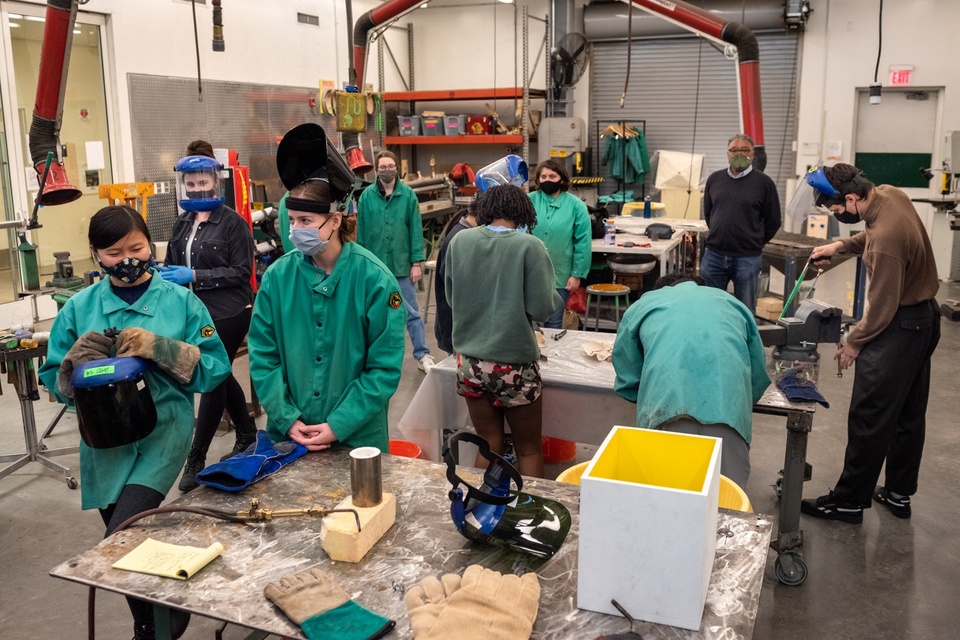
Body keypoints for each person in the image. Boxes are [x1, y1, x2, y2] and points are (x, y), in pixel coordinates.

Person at [38, 205, 231, 640]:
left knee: (123, 530)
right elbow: (53, 379)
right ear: (96, 255)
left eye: (136, 247)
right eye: (112, 252)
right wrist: (74, 369)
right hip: (103, 439)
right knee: (126, 538)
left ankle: (161, 627)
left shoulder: (181, 302)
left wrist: (161, 347)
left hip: (163, 428)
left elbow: (216, 367)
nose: (127, 258)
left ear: (152, 246)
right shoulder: (79, 309)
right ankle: (151, 619)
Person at [249, 123, 405, 453]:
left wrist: (338, 425)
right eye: (291, 221)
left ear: (335, 221)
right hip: (289, 438)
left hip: (357, 440)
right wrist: (287, 418)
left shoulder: (374, 281)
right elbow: (264, 358)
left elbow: (383, 368)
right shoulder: (277, 280)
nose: (295, 231)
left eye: (305, 222)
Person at [798, 163, 940, 523]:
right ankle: (897, 493)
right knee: (908, 411)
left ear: (850, 197)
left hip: (899, 325)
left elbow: (881, 308)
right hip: (924, 320)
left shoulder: (887, 241)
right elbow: (870, 235)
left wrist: (853, 342)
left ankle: (848, 501)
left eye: (837, 210)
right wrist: (841, 244)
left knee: (870, 414)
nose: (837, 215)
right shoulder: (890, 194)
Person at [444, 184, 562, 478]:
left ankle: (478, 510)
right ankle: (530, 516)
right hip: (514, 366)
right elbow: (542, 309)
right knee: (528, 448)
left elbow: (451, 298)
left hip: (470, 364)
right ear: (523, 212)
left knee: (488, 444)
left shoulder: (460, 242)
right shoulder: (528, 246)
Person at [611, 274, 770, 488]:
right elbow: (757, 373)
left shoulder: (643, 305)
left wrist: (649, 391)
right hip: (728, 415)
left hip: (666, 411)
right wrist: (734, 403)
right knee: (725, 502)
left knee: (666, 499)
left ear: (661, 289)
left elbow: (628, 375)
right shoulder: (732, 303)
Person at [163, 141, 258, 491]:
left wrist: (196, 277)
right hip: (194, 311)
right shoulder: (182, 223)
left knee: (211, 376)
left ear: (215, 182)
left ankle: (197, 456)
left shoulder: (233, 224)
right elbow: (173, 263)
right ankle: (247, 433)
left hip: (230, 310)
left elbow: (240, 272)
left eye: (203, 181)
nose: (197, 187)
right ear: (183, 184)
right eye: (191, 182)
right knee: (220, 372)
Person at [356, 150, 434, 371]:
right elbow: (360, 234)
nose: (387, 169)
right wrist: (361, 264)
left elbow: (416, 230)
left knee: (410, 312)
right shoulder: (366, 197)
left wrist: (416, 262)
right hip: (375, 268)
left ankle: (422, 355)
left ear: (397, 168)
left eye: (391, 166)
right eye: (383, 166)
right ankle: (373, 358)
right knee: (374, 313)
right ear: (377, 169)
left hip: (401, 267)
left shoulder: (408, 195)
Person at [700, 134, 781, 312]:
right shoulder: (715, 179)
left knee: (745, 309)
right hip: (714, 255)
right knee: (709, 306)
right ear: (727, 153)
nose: (739, 154)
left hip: (747, 257)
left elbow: (774, 220)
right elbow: (708, 213)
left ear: (753, 154)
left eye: (744, 150)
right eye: (734, 150)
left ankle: (744, 340)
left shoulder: (764, 183)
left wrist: (755, 241)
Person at [528, 158, 593, 328]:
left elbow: (583, 242)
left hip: (561, 275)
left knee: (554, 321)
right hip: (529, 274)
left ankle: (551, 356)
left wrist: (577, 274)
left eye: (552, 176)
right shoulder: (528, 201)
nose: (547, 180)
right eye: (543, 176)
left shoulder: (576, 206)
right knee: (527, 323)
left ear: (562, 179)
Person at [433, 204, 477, 356]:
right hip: (455, 327)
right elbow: (456, 287)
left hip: (458, 326)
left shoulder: (463, 232)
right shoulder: (460, 238)